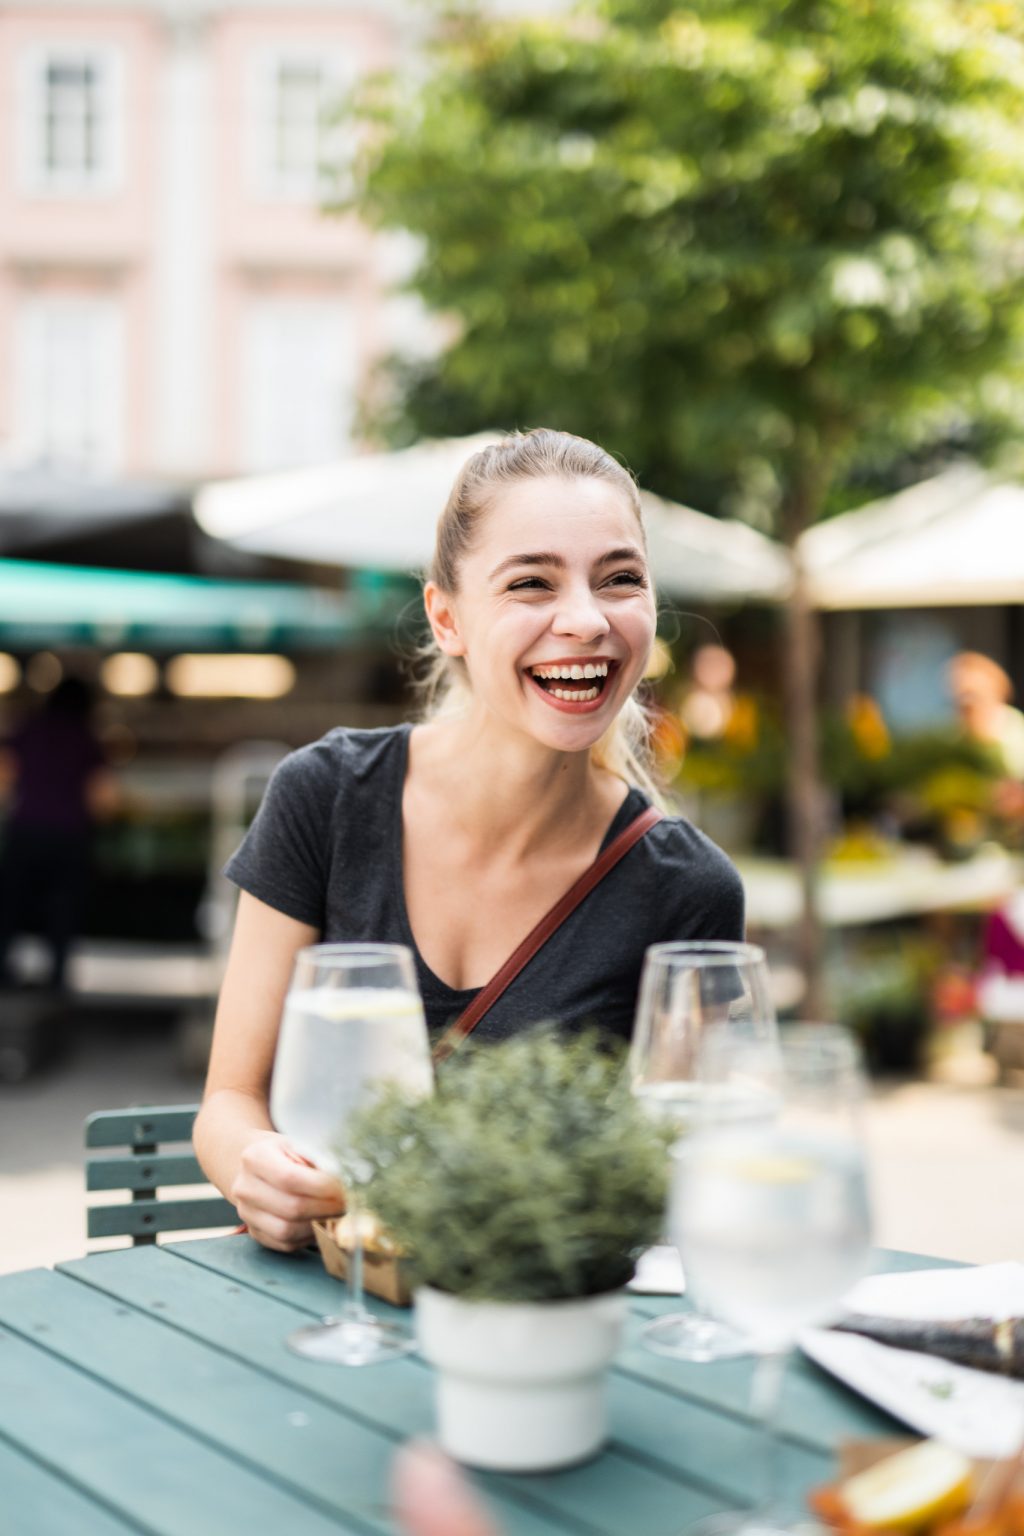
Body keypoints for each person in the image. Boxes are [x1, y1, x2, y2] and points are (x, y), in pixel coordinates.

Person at [194, 429, 745, 1252]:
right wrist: (256, 1167)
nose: (587, 620)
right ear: (446, 618)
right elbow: (229, 1102)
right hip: (322, 1304)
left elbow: (685, 1165)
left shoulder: (688, 889)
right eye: (532, 583)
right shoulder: (326, 797)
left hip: (532, 1314)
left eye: (620, 580)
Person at [0, 676, 118, 991]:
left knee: (11, 905)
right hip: (70, 834)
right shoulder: (86, 738)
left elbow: (5, 775)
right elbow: (102, 797)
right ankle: (57, 978)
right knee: (63, 908)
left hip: (26, 828)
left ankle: (4, 971)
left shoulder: (30, 727)